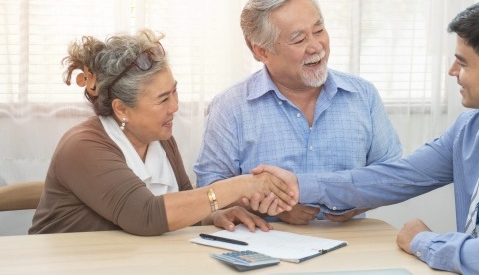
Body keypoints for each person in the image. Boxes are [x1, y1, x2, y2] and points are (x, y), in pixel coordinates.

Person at [253, 0, 479, 274]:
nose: (452, 71)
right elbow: (400, 176)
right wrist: (300, 186)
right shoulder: (472, 127)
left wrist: (422, 240)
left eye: (463, 62)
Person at [29, 29, 297, 236]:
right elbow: (146, 215)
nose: (175, 106)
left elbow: (183, 205)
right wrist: (238, 185)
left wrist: (214, 215)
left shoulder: (161, 140)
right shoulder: (83, 146)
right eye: (162, 99)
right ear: (122, 109)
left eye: (175, 91)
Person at [193, 0, 402, 225]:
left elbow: (393, 174)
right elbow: (208, 189)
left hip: (349, 244)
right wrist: (269, 208)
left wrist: (358, 202)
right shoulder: (230, 107)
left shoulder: (363, 95)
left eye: (319, 30)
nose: (316, 47)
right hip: (266, 246)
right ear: (262, 51)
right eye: (299, 39)